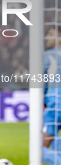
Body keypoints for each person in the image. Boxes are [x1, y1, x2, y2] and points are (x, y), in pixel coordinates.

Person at [43, 27, 61, 164]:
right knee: (56, 143)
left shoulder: (48, 55)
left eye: (51, 34)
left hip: (55, 105)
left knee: (39, 148)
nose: (46, 37)